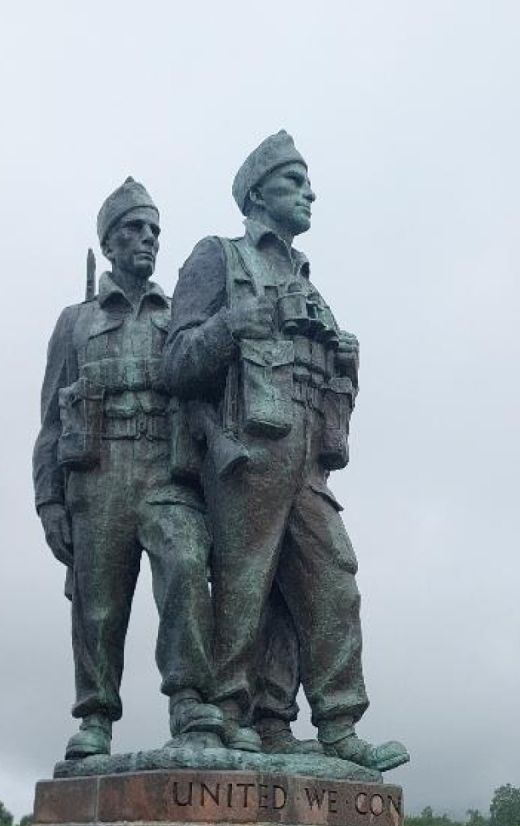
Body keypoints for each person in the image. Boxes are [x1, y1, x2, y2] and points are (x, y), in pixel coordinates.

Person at [164, 132, 407, 772]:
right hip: (250, 446)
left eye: (308, 183)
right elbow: (175, 362)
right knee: (245, 584)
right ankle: (229, 712)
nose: (310, 194)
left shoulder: (307, 281)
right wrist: (227, 327)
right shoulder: (219, 257)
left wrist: (348, 361)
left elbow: (328, 379)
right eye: (294, 182)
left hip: (308, 452)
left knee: (333, 580)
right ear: (256, 194)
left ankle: (335, 723)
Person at [33, 179, 221, 758]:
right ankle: (95, 715)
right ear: (109, 242)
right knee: (98, 604)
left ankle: (190, 700)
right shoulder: (75, 322)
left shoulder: (179, 317)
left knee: (187, 566)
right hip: (99, 476)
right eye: (135, 229)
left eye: (154, 231)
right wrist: (49, 502)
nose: (148, 239)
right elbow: (50, 422)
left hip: (167, 472)